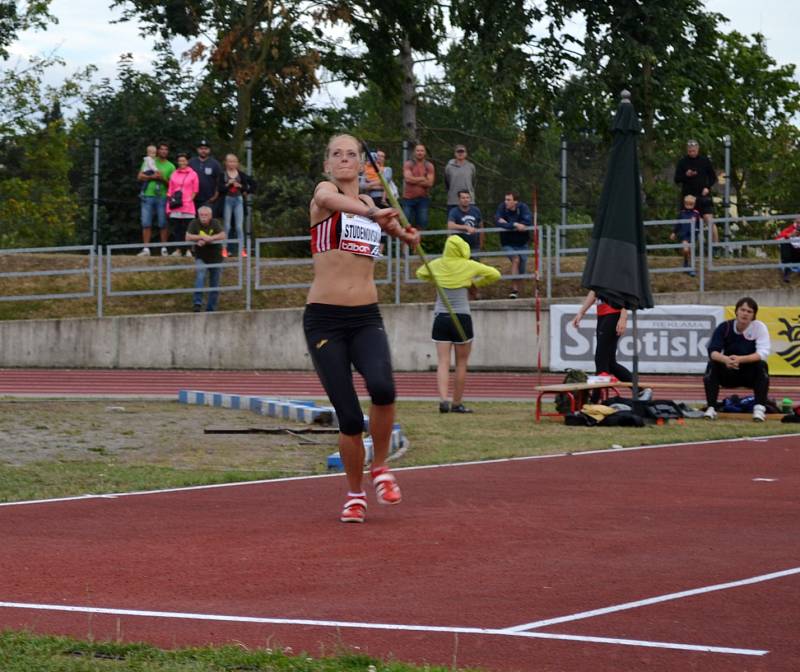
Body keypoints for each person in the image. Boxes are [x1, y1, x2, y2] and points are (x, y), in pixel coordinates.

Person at [305, 133, 420, 524]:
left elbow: (390, 230)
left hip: (366, 316)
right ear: (328, 164)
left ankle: (381, 467)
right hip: (324, 319)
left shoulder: (371, 203)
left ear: (361, 164)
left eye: (350, 154)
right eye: (335, 153)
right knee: (350, 418)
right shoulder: (326, 194)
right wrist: (372, 214)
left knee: (384, 389)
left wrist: (406, 235)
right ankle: (354, 495)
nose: (342, 159)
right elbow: (330, 202)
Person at [416, 235, 500, 414]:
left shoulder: (437, 264)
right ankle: (457, 403)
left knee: (443, 362)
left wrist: (438, 280)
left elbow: (420, 272)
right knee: (461, 362)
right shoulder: (468, 265)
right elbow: (495, 274)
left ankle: (443, 399)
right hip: (462, 317)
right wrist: (473, 282)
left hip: (442, 317)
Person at [703, 297, 771, 422]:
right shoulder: (725, 327)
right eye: (742, 310)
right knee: (712, 365)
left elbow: (763, 353)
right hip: (728, 372)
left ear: (754, 315)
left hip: (748, 373)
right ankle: (711, 407)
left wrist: (741, 359)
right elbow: (713, 351)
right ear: (736, 311)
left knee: (762, 365)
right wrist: (726, 360)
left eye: (749, 311)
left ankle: (759, 409)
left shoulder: (759, 327)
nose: (745, 313)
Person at [571, 290, 632, 390]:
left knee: (601, 359)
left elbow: (625, 291)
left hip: (614, 313)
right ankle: (641, 390)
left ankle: (595, 400)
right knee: (610, 363)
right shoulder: (597, 275)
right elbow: (594, 291)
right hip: (602, 315)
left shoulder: (615, 274)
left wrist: (623, 317)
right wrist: (581, 313)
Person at [673, 139, 719, 250]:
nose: (692, 153)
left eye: (694, 150)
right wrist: (686, 175)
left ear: (698, 149)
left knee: (709, 220)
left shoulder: (705, 161)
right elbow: (677, 179)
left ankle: (716, 247)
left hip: (703, 196)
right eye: (690, 151)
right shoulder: (682, 162)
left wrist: (707, 187)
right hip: (689, 198)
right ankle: (688, 249)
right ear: (687, 150)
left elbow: (713, 178)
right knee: (688, 223)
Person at [137, 141, 174, 257]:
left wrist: (162, 178)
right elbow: (139, 176)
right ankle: (146, 249)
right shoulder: (150, 160)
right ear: (158, 151)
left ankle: (164, 248)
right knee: (146, 222)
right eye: (161, 149)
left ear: (168, 152)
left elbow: (173, 185)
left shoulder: (171, 166)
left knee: (163, 223)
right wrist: (152, 177)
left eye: (165, 149)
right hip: (148, 195)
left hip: (162, 196)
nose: (163, 151)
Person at [186, 206, 225, 312]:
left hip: (216, 257)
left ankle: (211, 308)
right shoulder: (194, 223)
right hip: (201, 256)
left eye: (206, 215)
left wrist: (210, 239)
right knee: (200, 275)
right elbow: (188, 237)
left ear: (210, 216)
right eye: (201, 215)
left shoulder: (215, 222)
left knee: (215, 283)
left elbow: (222, 235)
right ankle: (197, 303)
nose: (203, 217)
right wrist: (201, 238)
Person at [495, 191, 532, 298]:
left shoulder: (523, 207)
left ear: (515, 201)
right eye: (505, 199)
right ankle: (514, 290)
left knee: (522, 269)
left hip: (522, 243)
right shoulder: (501, 207)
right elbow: (498, 221)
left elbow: (527, 221)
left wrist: (507, 223)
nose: (506, 202)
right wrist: (515, 224)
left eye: (509, 200)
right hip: (507, 242)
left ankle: (519, 290)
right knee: (516, 259)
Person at [218, 153, 253, 258]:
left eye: (234, 161)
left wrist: (240, 186)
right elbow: (220, 189)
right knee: (227, 226)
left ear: (237, 163)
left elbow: (247, 187)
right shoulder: (222, 174)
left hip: (238, 200)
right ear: (226, 163)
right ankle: (224, 249)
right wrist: (228, 184)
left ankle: (242, 249)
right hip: (227, 200)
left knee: (239, 226)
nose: (232, 164)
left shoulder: (241, 174)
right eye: (230, 161)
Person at [166, 152, 199, 256]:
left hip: (188, 205)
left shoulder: (193, 174)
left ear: (187, 161)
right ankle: (179, 249)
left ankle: (188, 249)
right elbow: (170, 190)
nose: (182, 162)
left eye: (184, 160)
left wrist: (190, 200)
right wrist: (169, 204)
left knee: (188, 229)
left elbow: (195, 190)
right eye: (180, 161)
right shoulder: (174, 174)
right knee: (177, 229)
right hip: (176, 206)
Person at [402, 143, 435, 231]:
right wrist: (422, 178)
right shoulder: (408, 164)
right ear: (414, 152)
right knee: (406, 224)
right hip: (408, 199)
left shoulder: (429, 166)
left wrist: (414, 180)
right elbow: (408, 179)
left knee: (422, 222)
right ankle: (404, 244)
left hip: (423, 199)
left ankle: (417, 243)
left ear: (425, 153)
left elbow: (430, 183)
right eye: (418, 150)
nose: (420, 152)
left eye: (422, 151)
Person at [669, 194, 701, 277]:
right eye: (687, 204)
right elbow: (678, 224)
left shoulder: (696, 213)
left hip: (693, 236)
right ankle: (686, 264)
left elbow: (699, 225)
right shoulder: (682, 213)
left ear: (694, 204)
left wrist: (698, 232)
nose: (689, 206)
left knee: (691, 251)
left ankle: (690, 267)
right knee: (686, 249)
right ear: (684, 204)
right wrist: (674, 233)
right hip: (684, 235)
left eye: (691, 204)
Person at [189, 139, 223, 216]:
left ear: (209, 150)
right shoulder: (191, 162)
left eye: (206, 149)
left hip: (209, 199)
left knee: (206, 222)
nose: (203, 151)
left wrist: (215, 196)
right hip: (192, 199)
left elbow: (219, 181)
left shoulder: (215, 164)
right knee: (193, 222)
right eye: (201, 148)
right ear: (197, 150)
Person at [444, 144, 476, 210]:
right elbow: (447, 182)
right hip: (453, 201)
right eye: (458, 152)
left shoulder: (471, 166)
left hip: (469, 201)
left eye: (462, 152)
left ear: (466, 153)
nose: (460, 154)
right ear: (455, 153)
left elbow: (473, 181)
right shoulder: (448, 167)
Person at [775, 217, 800, 282]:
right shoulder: (788, 229)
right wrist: (789, 235)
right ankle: (787, 273)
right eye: (798, 222)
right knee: (784, 244)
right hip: (791, 255)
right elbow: (777, 240)